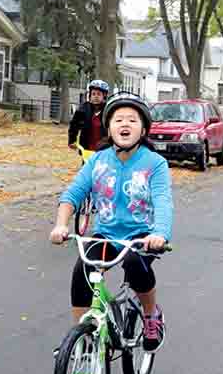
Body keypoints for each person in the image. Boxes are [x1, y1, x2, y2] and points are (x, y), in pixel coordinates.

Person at [51, 91, 172, 351]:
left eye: (132, 119)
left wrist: (159, 233)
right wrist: (61, 224)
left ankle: (151, 315)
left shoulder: (155, 163)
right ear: (109, 127)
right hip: (106, 234)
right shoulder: (97, 160)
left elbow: (163, 201)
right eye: (118, 119)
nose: (125, 124)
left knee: (134, 264)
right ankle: (80, 337)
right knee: (82, 269)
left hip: (141, 236)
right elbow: (72, 194)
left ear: (143, 129)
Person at [67, 79, 110, 153]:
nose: (96, 97)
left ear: (104, 96)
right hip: (87, 148)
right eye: (93, 94)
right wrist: (72, 140)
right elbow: (74, 125)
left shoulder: (108, 110)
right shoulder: (84, 109)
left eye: (99, 94)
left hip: (104, 149)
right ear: (90, 95)